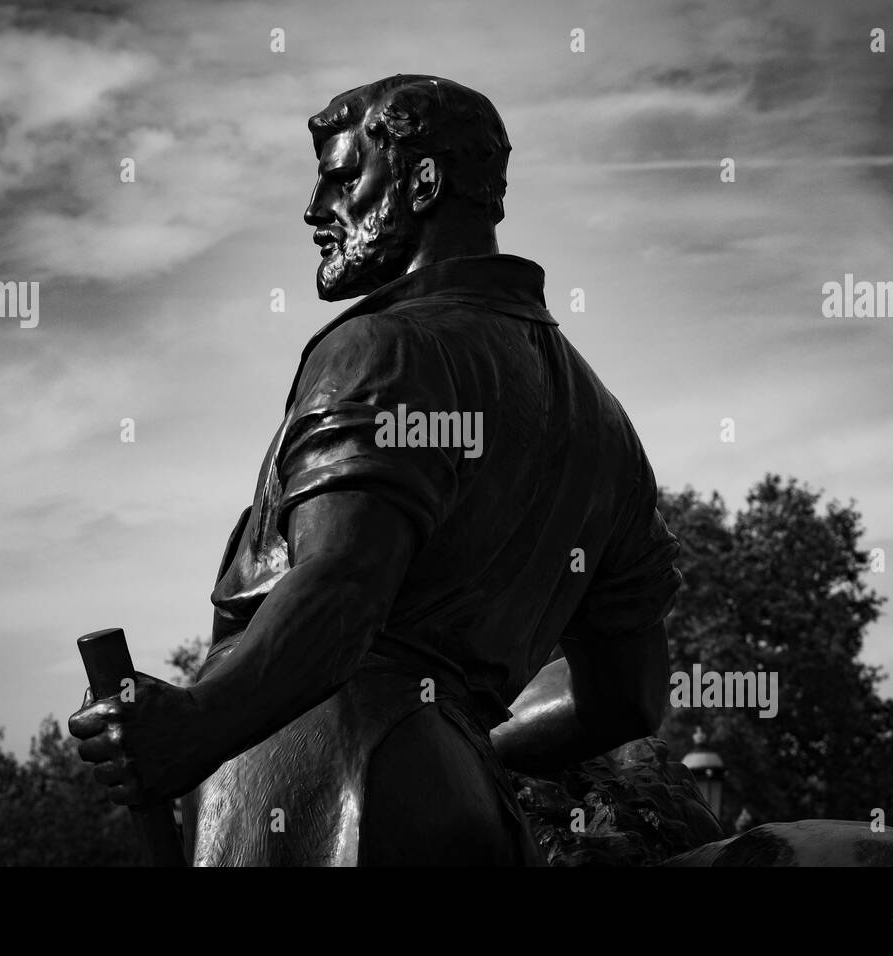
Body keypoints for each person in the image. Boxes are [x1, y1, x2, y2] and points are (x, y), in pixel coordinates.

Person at [70, 74, 683, 866]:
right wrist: (456, 748)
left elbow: (343, 591)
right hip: (463, 805)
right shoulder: (606, 424)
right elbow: (628, 696)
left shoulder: (380, 349)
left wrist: (195, 726)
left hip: (319, 773)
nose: (315, 208)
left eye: (340, 176)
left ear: (423, 182)